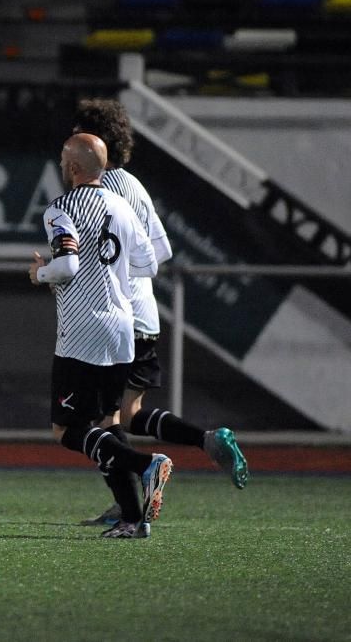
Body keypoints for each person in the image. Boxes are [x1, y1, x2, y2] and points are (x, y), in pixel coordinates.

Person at [71, 99, 249, 527]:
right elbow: (162, 250)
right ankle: (207, 439)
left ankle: (133, 506)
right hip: (145, 317)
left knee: (102, 421)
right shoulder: (133, 184)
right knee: (128, 416)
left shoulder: (97, 191)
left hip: (115, 316)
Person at [28, 133, 170, 539]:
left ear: (73, 168)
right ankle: (131, 519)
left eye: (62, 159)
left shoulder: (61, 208)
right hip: (122, 328)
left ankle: (147, 465)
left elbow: (68, 265)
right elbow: (149, 264)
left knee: (66, 430)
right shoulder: (122, 206)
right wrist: (108, 276)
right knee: (106, 425)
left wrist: (40, 273)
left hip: (81, 332)